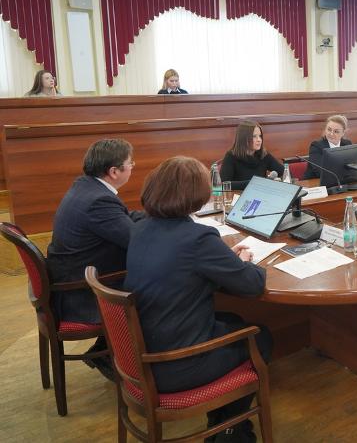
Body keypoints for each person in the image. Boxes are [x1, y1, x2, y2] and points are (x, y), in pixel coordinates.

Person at [124, 156, 270, 443]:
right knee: (261, 336)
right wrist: (241, 263)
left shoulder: (140, 227)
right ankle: (228, 429)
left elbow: (179, 271)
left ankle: (221, 421)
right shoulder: (198, 238)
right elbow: (253, 285)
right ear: (196, 194)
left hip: (139, 351)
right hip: (176, 365)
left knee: (233, 319)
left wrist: (223, 262)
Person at [46, 138, 144, 378]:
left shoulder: (87, 187)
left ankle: (106, 350)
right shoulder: (99, 200)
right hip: (80, 294)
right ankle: (116, 356)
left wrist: (157, 214)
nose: (133, 166)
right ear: (114, 171)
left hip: (72, 276)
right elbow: (136, 241)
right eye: (130, 163)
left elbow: (122, 217)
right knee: (157, 282)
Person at [220, 121, 284, 190]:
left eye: (260, 136)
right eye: (254, 136)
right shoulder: (231, 156)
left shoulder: (264, 155)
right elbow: (223, 184)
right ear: (243, 138)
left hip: (259, 194)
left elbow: (283, 172)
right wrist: (253, 183)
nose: (259, 140)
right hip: (239, 195)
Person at [303, 115, 353, 179]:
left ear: (343, 133)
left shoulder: (347, 144)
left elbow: (352, 166)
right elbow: (321, 172)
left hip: (341, 181)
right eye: (329, 130)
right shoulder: (316, 146)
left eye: (336, 131)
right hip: (315, 182)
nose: (331, 134)